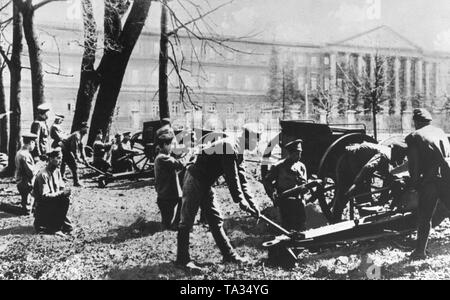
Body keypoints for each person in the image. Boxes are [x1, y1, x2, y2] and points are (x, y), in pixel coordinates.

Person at [175, 124, 261, 272]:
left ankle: (229, 255)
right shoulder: (229, 146)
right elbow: (232, 178)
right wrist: (240, 201)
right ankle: (182, 260)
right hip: (194, 179)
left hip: (206, 183)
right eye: (256, 140)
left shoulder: (238, 151)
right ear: (246, 138)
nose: (257, 143)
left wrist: (253, 204)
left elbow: (242, 179)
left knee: (215, 219)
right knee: (187, 221)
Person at [405, 109, 450, 260]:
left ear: (416, 122)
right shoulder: (440, 132)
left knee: (425, 217)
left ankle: (419, 252)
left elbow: (414, 165)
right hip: (447, 178)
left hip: (430, 182)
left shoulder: (414, 136)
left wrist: (414, 184)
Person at [331, 141, 407, 223]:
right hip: (350, 163)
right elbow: (369, 167)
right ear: (397, 154)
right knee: (353, 192)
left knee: (346, 193)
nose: (400, 160)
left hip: (349, 160)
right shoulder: (385, 155)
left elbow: (387, 175)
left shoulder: (388, 152)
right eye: (401, 157)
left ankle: (336, 220)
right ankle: (339, 222)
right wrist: (356, 184)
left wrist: (383, 199)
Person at [263, 139, 307, 232]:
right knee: (287, 227)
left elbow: (304, 183)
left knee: (301, 226)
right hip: (285, 202)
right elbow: (267, 181)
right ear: (290, 153)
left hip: (299, 202)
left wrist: (305, 189)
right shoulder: (279, 166)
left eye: (300, 153)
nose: (299, 156)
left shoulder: (301, 166)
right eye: (296, 154)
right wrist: (273, 195)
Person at [33, 147, 73, 236]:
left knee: (69, 227)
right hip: (43, 206)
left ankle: (55, 222)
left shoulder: (57, 171)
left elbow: (62, 187)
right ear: (50, 159)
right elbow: (44, 197)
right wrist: (62, 194)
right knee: (64, 201)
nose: (60, 161)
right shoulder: (43, 175)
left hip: (53, 203)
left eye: (61, 158)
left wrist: (66, 192)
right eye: (58, 158)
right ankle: (54, 229)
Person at [154, 128, 185, 230]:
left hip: (169, 195)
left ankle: (173, 224)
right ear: (164, 145)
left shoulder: (163, 156)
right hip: (167, 196)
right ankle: (172, 225)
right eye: (170, 144)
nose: (172, 147)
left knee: (181, 202)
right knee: (167, 223)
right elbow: (179, 164)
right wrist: (189, 154)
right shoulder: (162, 158)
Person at [15, 133, 38, 213]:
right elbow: (30, 172)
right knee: (28, 198)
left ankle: (25, 208)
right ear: (31, 142)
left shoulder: (20, 152)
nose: (34, 145)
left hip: (20, 180)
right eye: (34, 143)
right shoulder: (25, 155)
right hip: (26, 182)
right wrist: (37, 169)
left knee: (25, 197)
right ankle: (27, 211)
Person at [61, 122, 89, 187]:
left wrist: (85, 159)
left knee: (64, 163)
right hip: (64, 149)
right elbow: (74, 148)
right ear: (82, 128)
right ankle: (76, 182)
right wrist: (77, 158)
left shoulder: (81, 135)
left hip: (66, 149)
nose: (87, 130)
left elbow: (82, 148)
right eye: (86, 128)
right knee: (74, 165)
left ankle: (62, 178)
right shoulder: (76, 135)